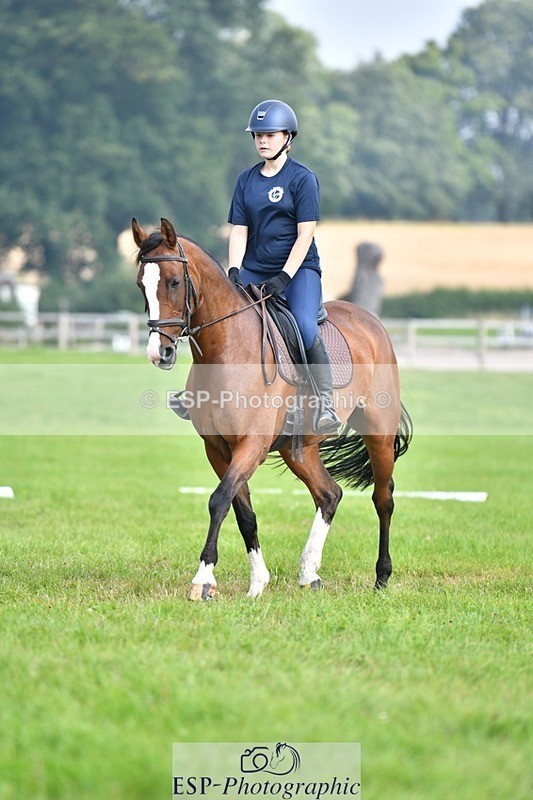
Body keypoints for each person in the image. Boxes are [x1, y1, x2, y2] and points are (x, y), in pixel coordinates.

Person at [227, 99, 341, 435]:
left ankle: (324, 404)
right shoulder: (246, 180)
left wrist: (285, 277)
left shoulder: (303, 179)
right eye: (257, 135)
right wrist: (234, 270)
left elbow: (306, 234)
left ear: (288, 137)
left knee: (305, 326)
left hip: (298, 271)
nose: (262, 140)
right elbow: (239, 229)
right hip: (254, 268)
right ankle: (198, 395)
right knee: (220, 316)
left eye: (269, 134)